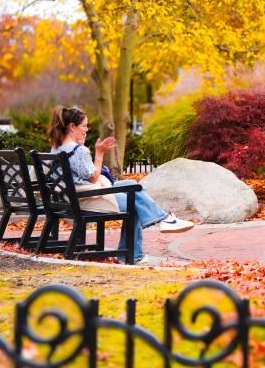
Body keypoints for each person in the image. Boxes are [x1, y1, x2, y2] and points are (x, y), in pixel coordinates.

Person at [48, 105, 193, 265]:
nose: (87, 129)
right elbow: (93, 177)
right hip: (87, 201)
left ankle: (163, 219)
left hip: (72, 199)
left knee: (133, 185)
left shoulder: (56, 149)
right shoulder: (77, 151)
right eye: (84, 126)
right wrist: (100, 153)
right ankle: (140, 249)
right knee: (135, 202)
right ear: (72, 126)